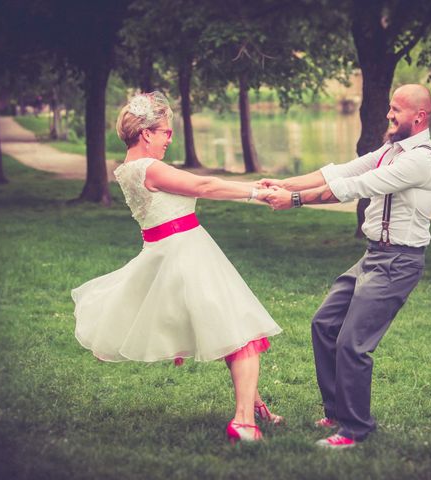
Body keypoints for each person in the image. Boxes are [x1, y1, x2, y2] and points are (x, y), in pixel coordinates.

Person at [72, 91, 283, 443]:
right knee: (243, 333)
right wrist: (255, 192)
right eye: (166, 131)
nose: (170, 138)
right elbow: (204, 185)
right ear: (147, 134)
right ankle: (245, 421)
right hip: (187, 255)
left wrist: (250, 186)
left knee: (231, 328)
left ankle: (255, 406)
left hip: (170, 251)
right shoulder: (149, 168)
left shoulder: (128, 168)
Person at [262, 84, 431, 449]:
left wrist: (293, 200)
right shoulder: (390, 151)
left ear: (419, 117)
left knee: (352, 344)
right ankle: (336, 410)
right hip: (374, 256)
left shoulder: (420, 160)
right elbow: (337, 173)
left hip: (399, 262)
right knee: (324, 324)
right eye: (389, 107)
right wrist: (282, 183)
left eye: (396, 110)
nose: (389, 115)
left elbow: (353, 187)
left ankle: (355, 429)